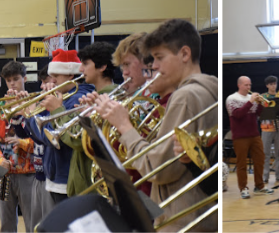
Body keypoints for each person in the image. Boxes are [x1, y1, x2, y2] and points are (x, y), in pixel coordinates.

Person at [93, 18, 216, 232]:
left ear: (185, 54)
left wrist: (124, 126)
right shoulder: (208, 88)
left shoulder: (185, 96)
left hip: (181, 219)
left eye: (159, 58)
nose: (155, 66)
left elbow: (160, 170)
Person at [25, 49, 96, 202]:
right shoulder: (63, 97)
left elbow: (53, 137)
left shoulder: (76, 99)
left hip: (66, 177)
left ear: (71, 75)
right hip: (57, 175)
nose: (52, 81)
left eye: (56, 76)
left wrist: (31, 116)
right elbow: (41, 137)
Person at [0, 60, 46, 232]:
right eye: (8, 80)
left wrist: (23, 143)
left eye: (16, 79)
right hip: (4, 173)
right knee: (6, 222)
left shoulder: (36, 105)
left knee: (33, 222)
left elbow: (44, 139)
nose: (12, 83)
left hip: (29, 173)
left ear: (24, 79)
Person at [54, 42, 118, 197]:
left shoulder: (111, 100)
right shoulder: (95, 98)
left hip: (94, 188)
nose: (81, 69)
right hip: (84, 187)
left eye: (85, 64)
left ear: (102, 66)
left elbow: (77, 141)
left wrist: (57, 110)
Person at [228, 76, 267, 198]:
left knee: (260, 160)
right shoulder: (232, 99)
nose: (249, 87)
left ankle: (259, 186)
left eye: (250, 85)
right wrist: (250, 102)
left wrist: (260, 104)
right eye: (246, 85)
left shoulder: (252, 99)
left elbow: (260, 114)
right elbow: (238, 114)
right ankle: (243, 188)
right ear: (239, 85)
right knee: (241, 163)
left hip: (254, 134)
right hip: (240, 136)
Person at [260, 75, 279, 186]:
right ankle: (265, 176)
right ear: (267, 85)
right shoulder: (263, 97)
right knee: (265, 153)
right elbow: (259, 112)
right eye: (271, 84)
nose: (273, 86)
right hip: (266, 128)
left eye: (275, 84)